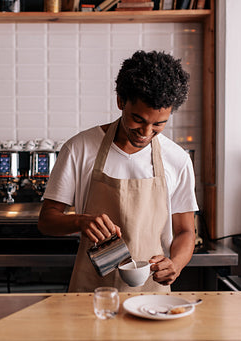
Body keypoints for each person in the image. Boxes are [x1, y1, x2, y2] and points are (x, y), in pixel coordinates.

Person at [38, 50, 198, 292]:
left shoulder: (177, 159)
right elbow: (46, 220)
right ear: (121, 101)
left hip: (151, 296)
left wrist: (175, 264)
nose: (145, 132)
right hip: (91, 293)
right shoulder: (79, 148)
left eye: (158, 124)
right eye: (138, 119)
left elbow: (186, 230)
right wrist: (80, 221)